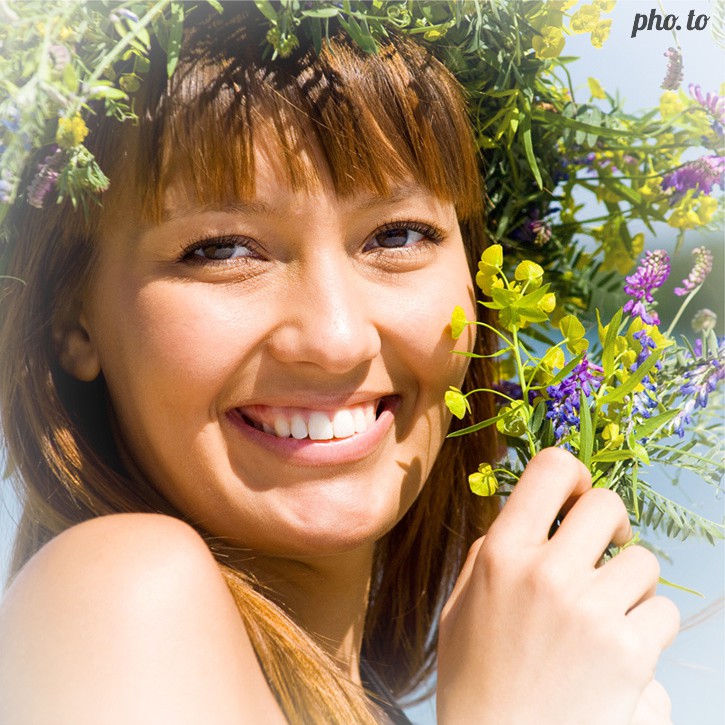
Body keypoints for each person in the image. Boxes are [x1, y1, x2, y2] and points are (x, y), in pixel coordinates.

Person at [0, 4, 678, 723]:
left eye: (396, 234)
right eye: (223, 249)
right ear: (69, 316)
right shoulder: (122, 591)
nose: (336, 337)